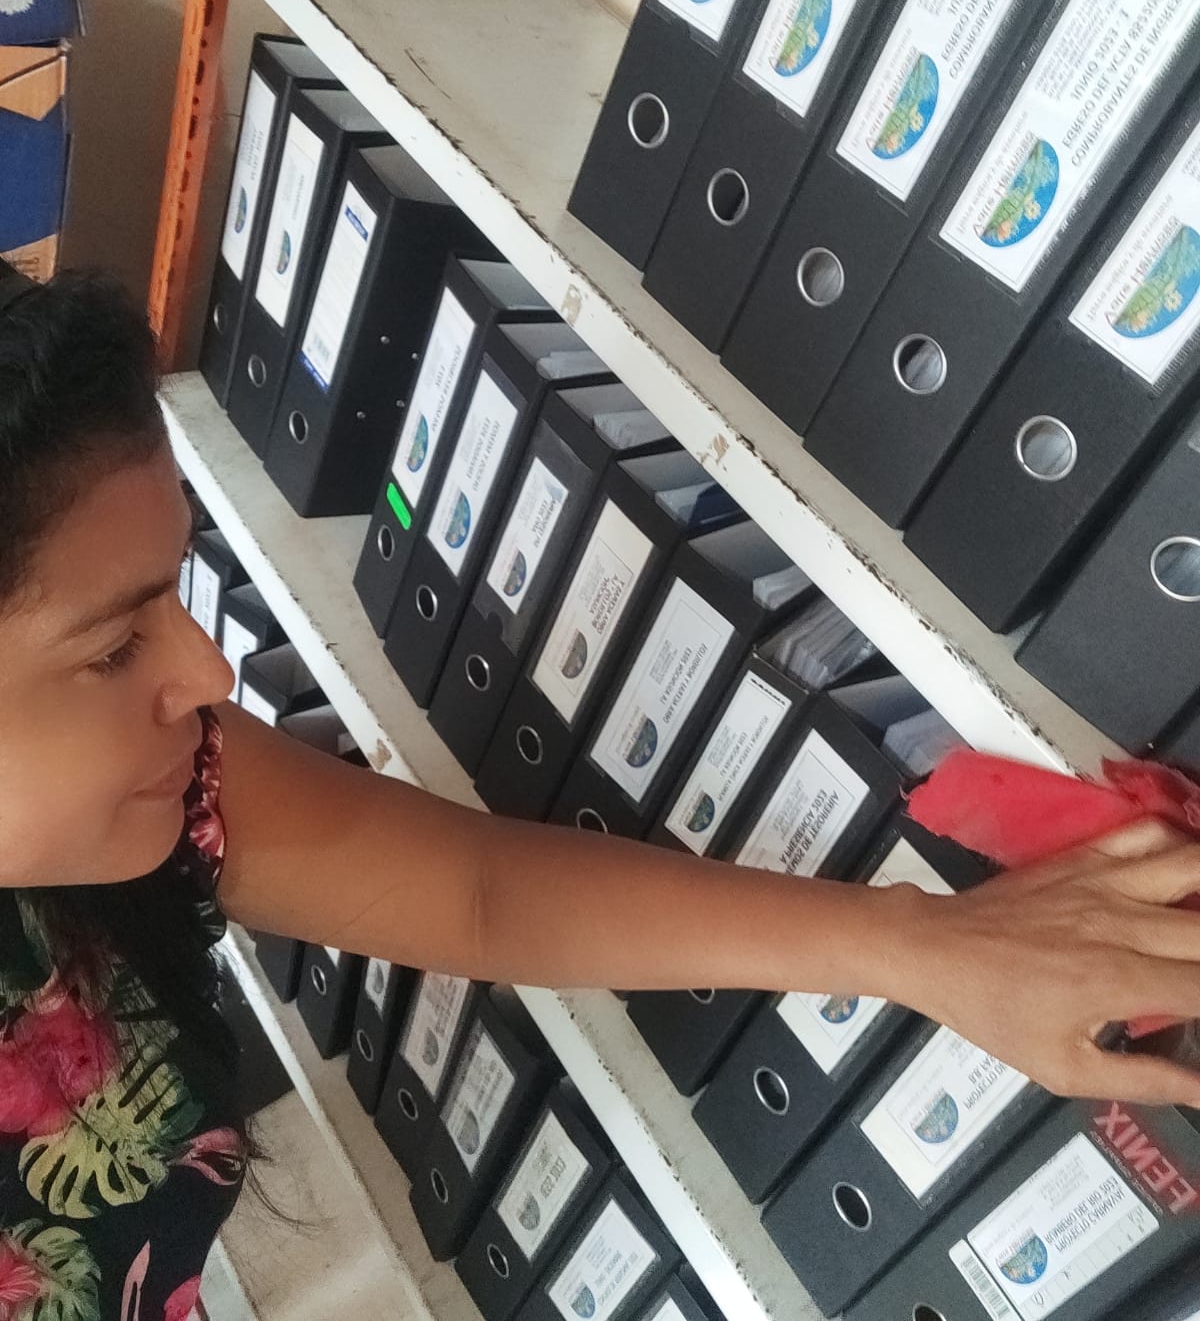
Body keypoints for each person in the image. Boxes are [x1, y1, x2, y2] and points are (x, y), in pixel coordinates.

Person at [2, 267, 1200, 1321]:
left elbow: (475, 892)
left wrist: (929, 947)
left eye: (174, 595)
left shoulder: (167, 786)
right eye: (115, 647)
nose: (209, 675)